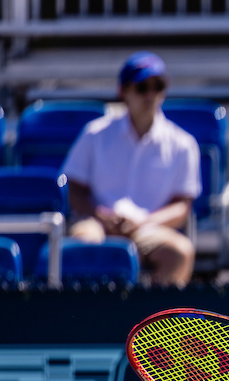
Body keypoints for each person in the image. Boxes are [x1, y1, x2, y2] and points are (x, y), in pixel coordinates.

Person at [62, 51, 200, 287]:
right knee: (84, 244)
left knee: (180, 252)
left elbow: (182, 206)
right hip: (96, 223)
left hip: (149, 228)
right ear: (123, 91)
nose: (150, 94)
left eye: (157, 86)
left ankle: (155, 319)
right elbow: (75, 190)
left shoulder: (183, 144)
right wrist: (102, 216)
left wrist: (144, 221)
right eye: (142, 87)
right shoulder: (95, 134)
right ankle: (89, 318)